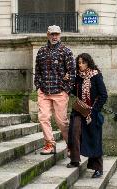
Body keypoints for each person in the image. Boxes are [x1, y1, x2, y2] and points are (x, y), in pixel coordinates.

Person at [34, 25, 76, 155]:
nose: (54, 37)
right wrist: (38, 86)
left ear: (60, 35)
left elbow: (72, 72)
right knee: (43, 118)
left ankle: (70, 146)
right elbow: (38, 71)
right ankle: (49, 144)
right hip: (44, 91)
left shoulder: (66, 51)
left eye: (56, 34)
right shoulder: (41, 51)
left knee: (62, 122)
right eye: (52, 34)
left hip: (60, 92)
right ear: (48, 35)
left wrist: (66, 90)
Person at [67, 53, 108, 178]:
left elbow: (103, 95)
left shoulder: (96, 76)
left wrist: (94, 110)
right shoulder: (77, 77)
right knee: (74, 131)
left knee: (94, 138)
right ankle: (74, 160)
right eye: (79, 63)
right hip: (79, 110)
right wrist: (69, 81)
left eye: (83, 62)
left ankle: (98, 168)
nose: (81, 65)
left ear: (88, 63)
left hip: (92, 112)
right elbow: (73, 91)